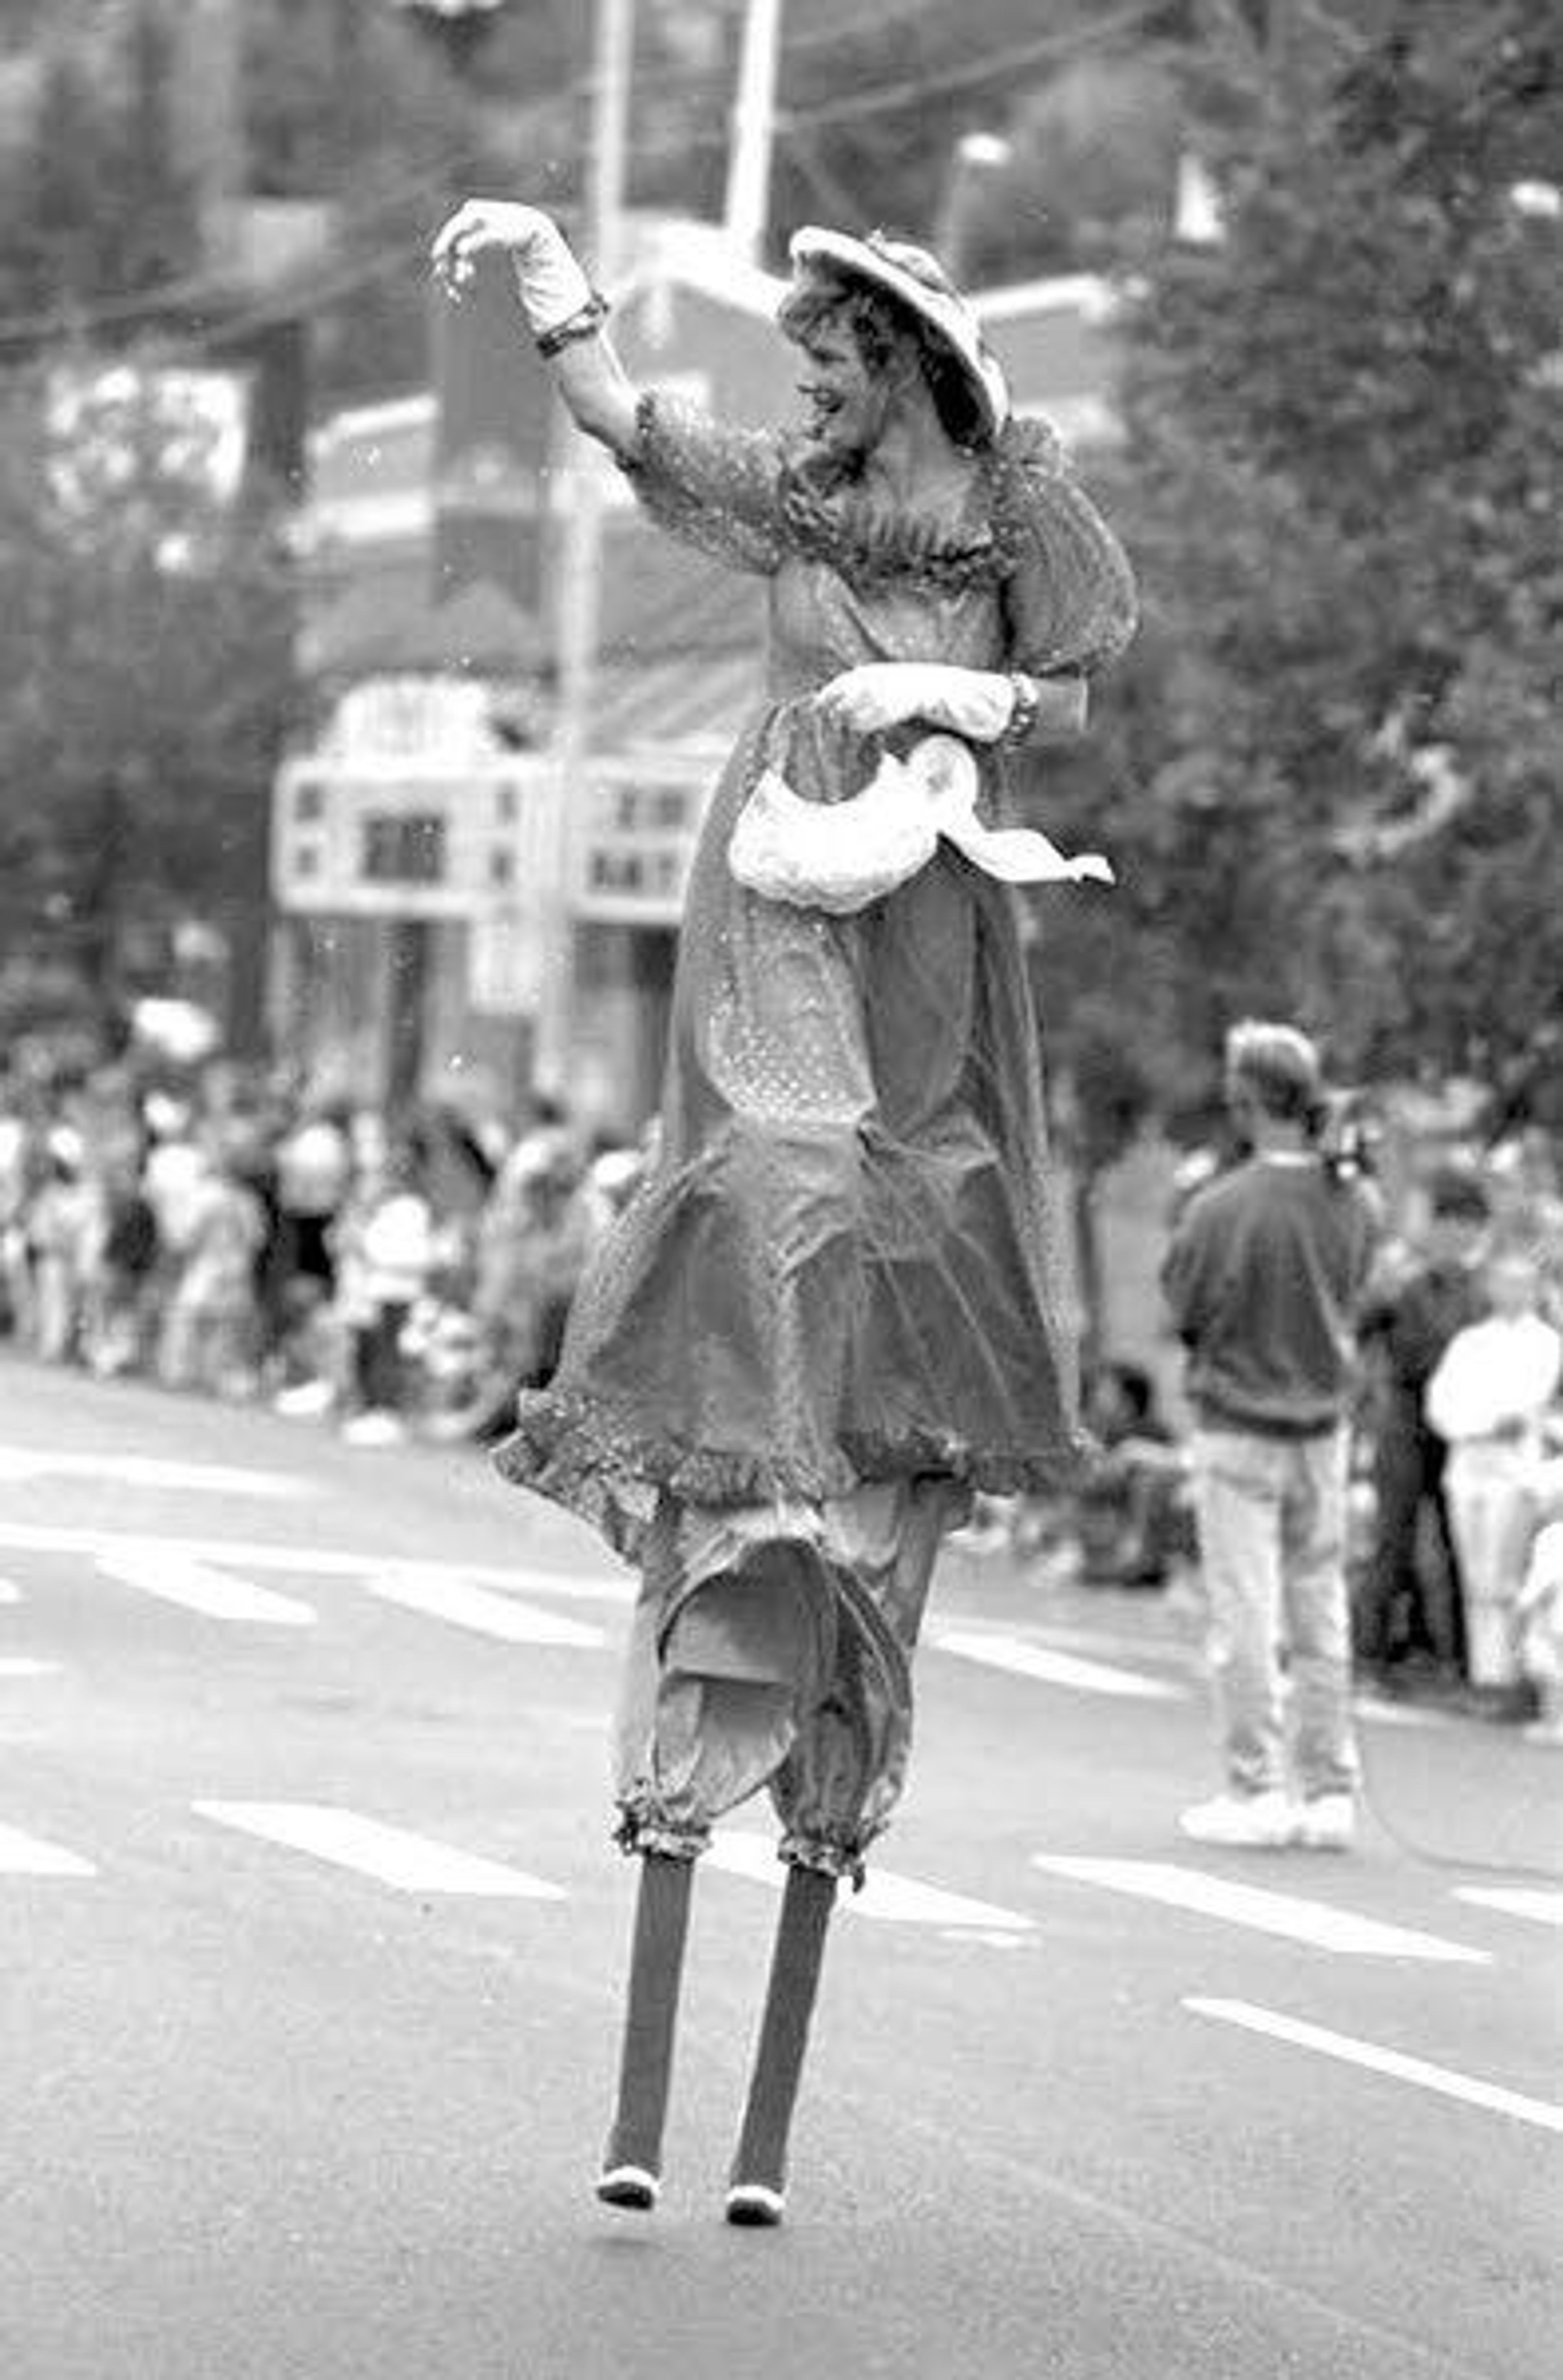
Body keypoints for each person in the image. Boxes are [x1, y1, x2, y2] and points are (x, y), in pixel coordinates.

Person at [431, 196, 1135, 2222]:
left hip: (929, 907)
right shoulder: (786, 509)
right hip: (778, 904)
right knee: (783, 1162)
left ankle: (854, 1483)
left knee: (911, 1184)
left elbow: (1080, 679)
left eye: (827, 366)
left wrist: (974, 711)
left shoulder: (1014, 520)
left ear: (902, 363)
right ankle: (745, 1436)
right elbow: (627, 424)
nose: (800, 396)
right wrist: (554, 274)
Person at [1160, 1022, 1380, 1851]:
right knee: (1322, 1610)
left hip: (1238, 1422)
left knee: (1247, 1613)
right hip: (1324, 1425)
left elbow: (1185, 1308)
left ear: (1245, 1099)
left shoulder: (1219, 1206)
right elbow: (1360, 1289)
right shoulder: (1356, 1201)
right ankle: (1328, 1789)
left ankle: (1254, 1784)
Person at [1355, 1167, 1493, 1694]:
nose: (1457, 1238)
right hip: (1406, 1419)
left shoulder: (1484, 1289)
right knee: (1395, 1541)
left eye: (1467, 1228)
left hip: (1463, 1428)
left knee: (1461, 1547)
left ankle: (1458, 1661)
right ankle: (1373, 1660)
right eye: (1449, 1226)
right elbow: (1359, 1325)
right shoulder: (1403, 1278)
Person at [1424, 1248, 1563, 1698]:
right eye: (1505, 1282)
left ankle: (1507, 1673)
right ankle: (1485, 1675)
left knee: (1505, 1576)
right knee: (1474, 1575)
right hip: (1467, 1466)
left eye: (1523, 1283)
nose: (1513, 1292)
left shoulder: (1545, 1343)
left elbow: (1526, 1402)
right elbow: (1444, 1400)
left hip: (1513, 1472)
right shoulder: (1470, 1342)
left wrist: (1490, 1421)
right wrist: (1475, 1426)